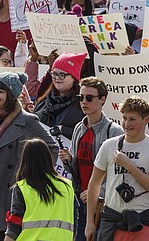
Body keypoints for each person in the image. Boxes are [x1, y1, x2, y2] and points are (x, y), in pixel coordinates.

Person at [0, 72, 58, 241]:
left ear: (11, 94)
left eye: (1, 91)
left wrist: (31, 176)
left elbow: (51, 148)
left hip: (9, 195)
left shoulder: (28, 121)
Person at [84, 96, 149, 241]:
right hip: (112, 219)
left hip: (142, 220)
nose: (126, 123)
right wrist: (89, 223)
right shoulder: (109, 145)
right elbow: (94, 184)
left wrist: (129, 166)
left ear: (146, 119)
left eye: (132, 119)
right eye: (124, 118)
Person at [61, 77, 124, 241]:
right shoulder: (78, 128)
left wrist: (97, 192)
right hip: (80, 201)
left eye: (89, 98)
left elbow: (119, 171)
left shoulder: (114, 131)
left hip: (105, 204)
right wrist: (68, 160)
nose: (84, 102)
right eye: (80, 98)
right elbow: (76, 168)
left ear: (102, 99)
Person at [4, 138, 75, 241]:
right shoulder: (67, 186)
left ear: (25, 161)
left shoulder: (22, 188)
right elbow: (74, 222)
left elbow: (15, 227)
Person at [34, 53, 85, 140]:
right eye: (54, 74)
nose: (57, 78)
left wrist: (65, 131)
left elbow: (88, 134)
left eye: (62, 75)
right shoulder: (42, 102)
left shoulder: (83, 105)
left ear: (74, 78)